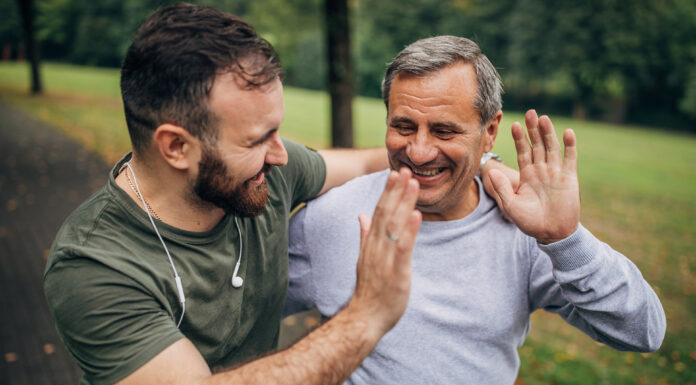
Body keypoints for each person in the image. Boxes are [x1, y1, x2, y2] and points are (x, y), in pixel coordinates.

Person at [43, 4, 432, 384]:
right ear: (177, 147)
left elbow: (369, 164)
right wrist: (366, 316)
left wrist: (481, 163)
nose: (281, 155)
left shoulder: (267, 173)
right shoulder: (92, 265)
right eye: (258, 139)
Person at [284, 35, 667, 385]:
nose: (418, 152)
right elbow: (239, 308)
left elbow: (642, 331)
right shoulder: (331, 217)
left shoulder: (524, 231)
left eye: (444, 131)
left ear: (489, 131)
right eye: (403, 126)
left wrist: (564, 238)